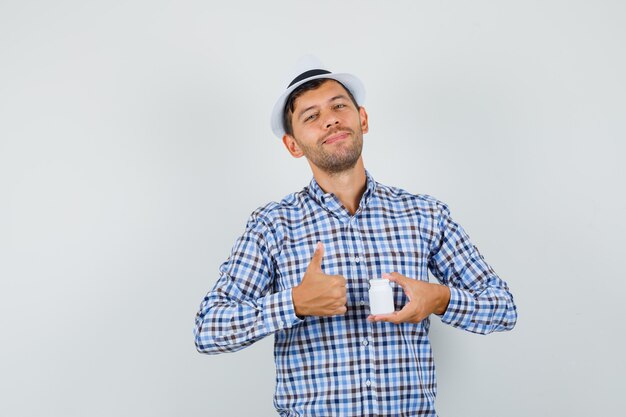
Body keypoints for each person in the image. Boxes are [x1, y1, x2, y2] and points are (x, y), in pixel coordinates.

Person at [194, 56, 517, 417]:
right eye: (311, 116)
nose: (330, 119)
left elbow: (502, 307)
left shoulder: (425, 214)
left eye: (338, 106)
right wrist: (295, 303)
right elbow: (209, 330)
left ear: (362, 119)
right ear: (293, 145)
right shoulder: (272, 225)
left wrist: (440, 299)